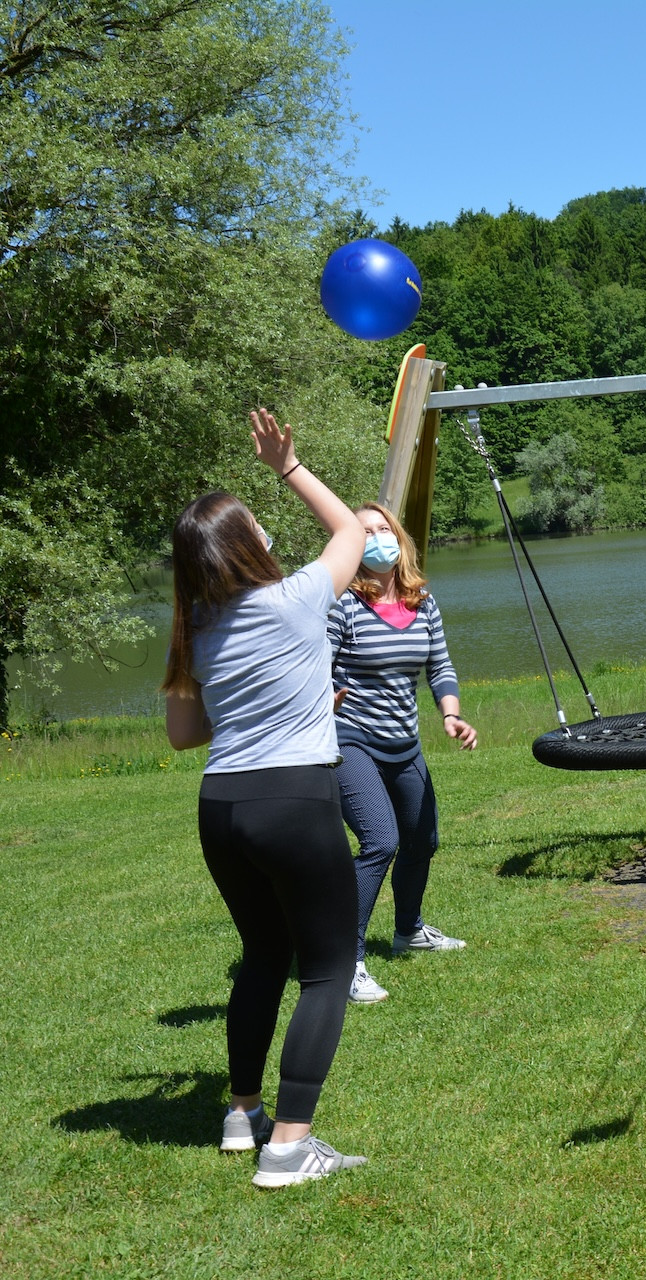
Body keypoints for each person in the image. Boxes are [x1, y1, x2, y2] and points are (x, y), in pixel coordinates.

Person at [162, 409, 371, 1187]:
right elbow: (350, 529)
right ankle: (289, 1144)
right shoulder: (297, 599)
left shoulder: (195, 626)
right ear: (248, 544)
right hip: (293, 797)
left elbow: (186, 736)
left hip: (223, 806)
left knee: (262, 955)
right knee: (327, 966)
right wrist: (287, 467)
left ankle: (242, 1111)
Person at [328, 502, 476, 1004]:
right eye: (363, 532)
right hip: (351, 740)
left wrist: (450, 714)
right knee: (380, 842)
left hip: (404, 743)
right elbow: (315, 665)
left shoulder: (422, 601)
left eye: (382, 529)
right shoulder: (343, 602)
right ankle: (345, 962)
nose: (375, 539)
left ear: (399, 537)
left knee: (422, 839)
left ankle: (408, 930)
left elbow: (440, 665)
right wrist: (323, 697)